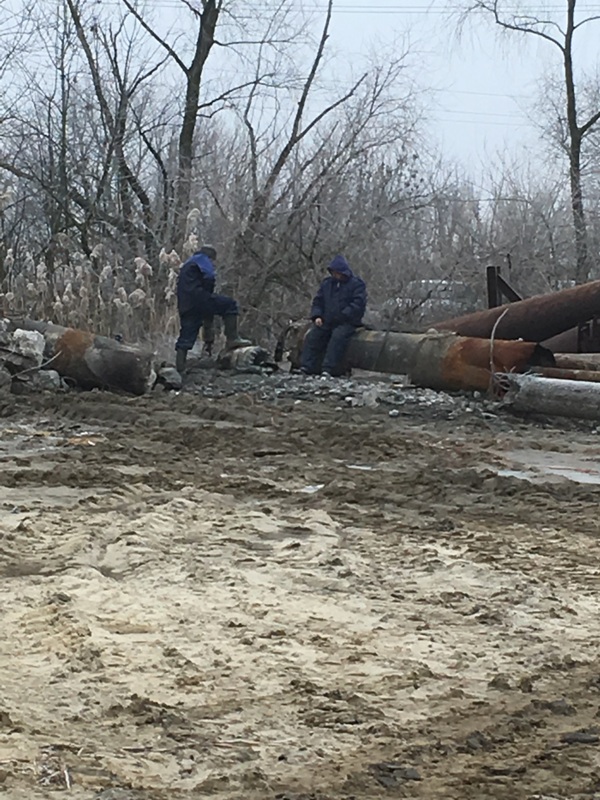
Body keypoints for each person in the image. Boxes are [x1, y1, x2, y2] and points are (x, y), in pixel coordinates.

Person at [175, 244, 250, 373]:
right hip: (199, 297)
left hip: (185, 304)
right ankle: (232, 339)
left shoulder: (188, 263)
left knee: (187, 334)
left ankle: (180, 368)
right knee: (229, 304)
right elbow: (209, 275)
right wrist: (208, 291)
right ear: (211, 256)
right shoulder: (202, 259)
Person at [300, 255, 367, 377]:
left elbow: (358, 304)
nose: (336, 275)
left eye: (337, 272)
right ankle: (306, 366)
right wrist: (317, 316)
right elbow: (318, 301)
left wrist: (344, 315)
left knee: (337, 338)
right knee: (313, 336)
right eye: (333, 272)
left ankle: (328, 369)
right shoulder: (327, 284)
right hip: (326, 320)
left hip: (347, 322)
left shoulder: (356, 284)